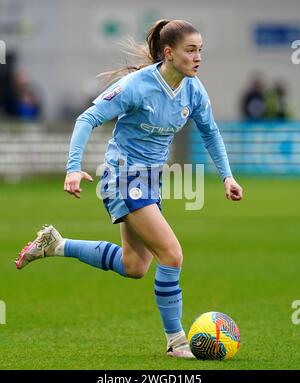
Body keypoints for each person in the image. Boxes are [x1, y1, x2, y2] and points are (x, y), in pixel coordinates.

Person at [15, 19, 243, 359]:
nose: (198, 58)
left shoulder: (194, 90)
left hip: (150, 181)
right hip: (122, 177)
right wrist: (73, 168)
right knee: (172, 254)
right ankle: (177, 342)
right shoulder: (137, 85)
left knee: (134, 266)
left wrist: (227, 176)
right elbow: (86, 119)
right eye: (191, 50)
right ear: (169, 53)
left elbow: (209, 131)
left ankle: (57, 245)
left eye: (201, 51)